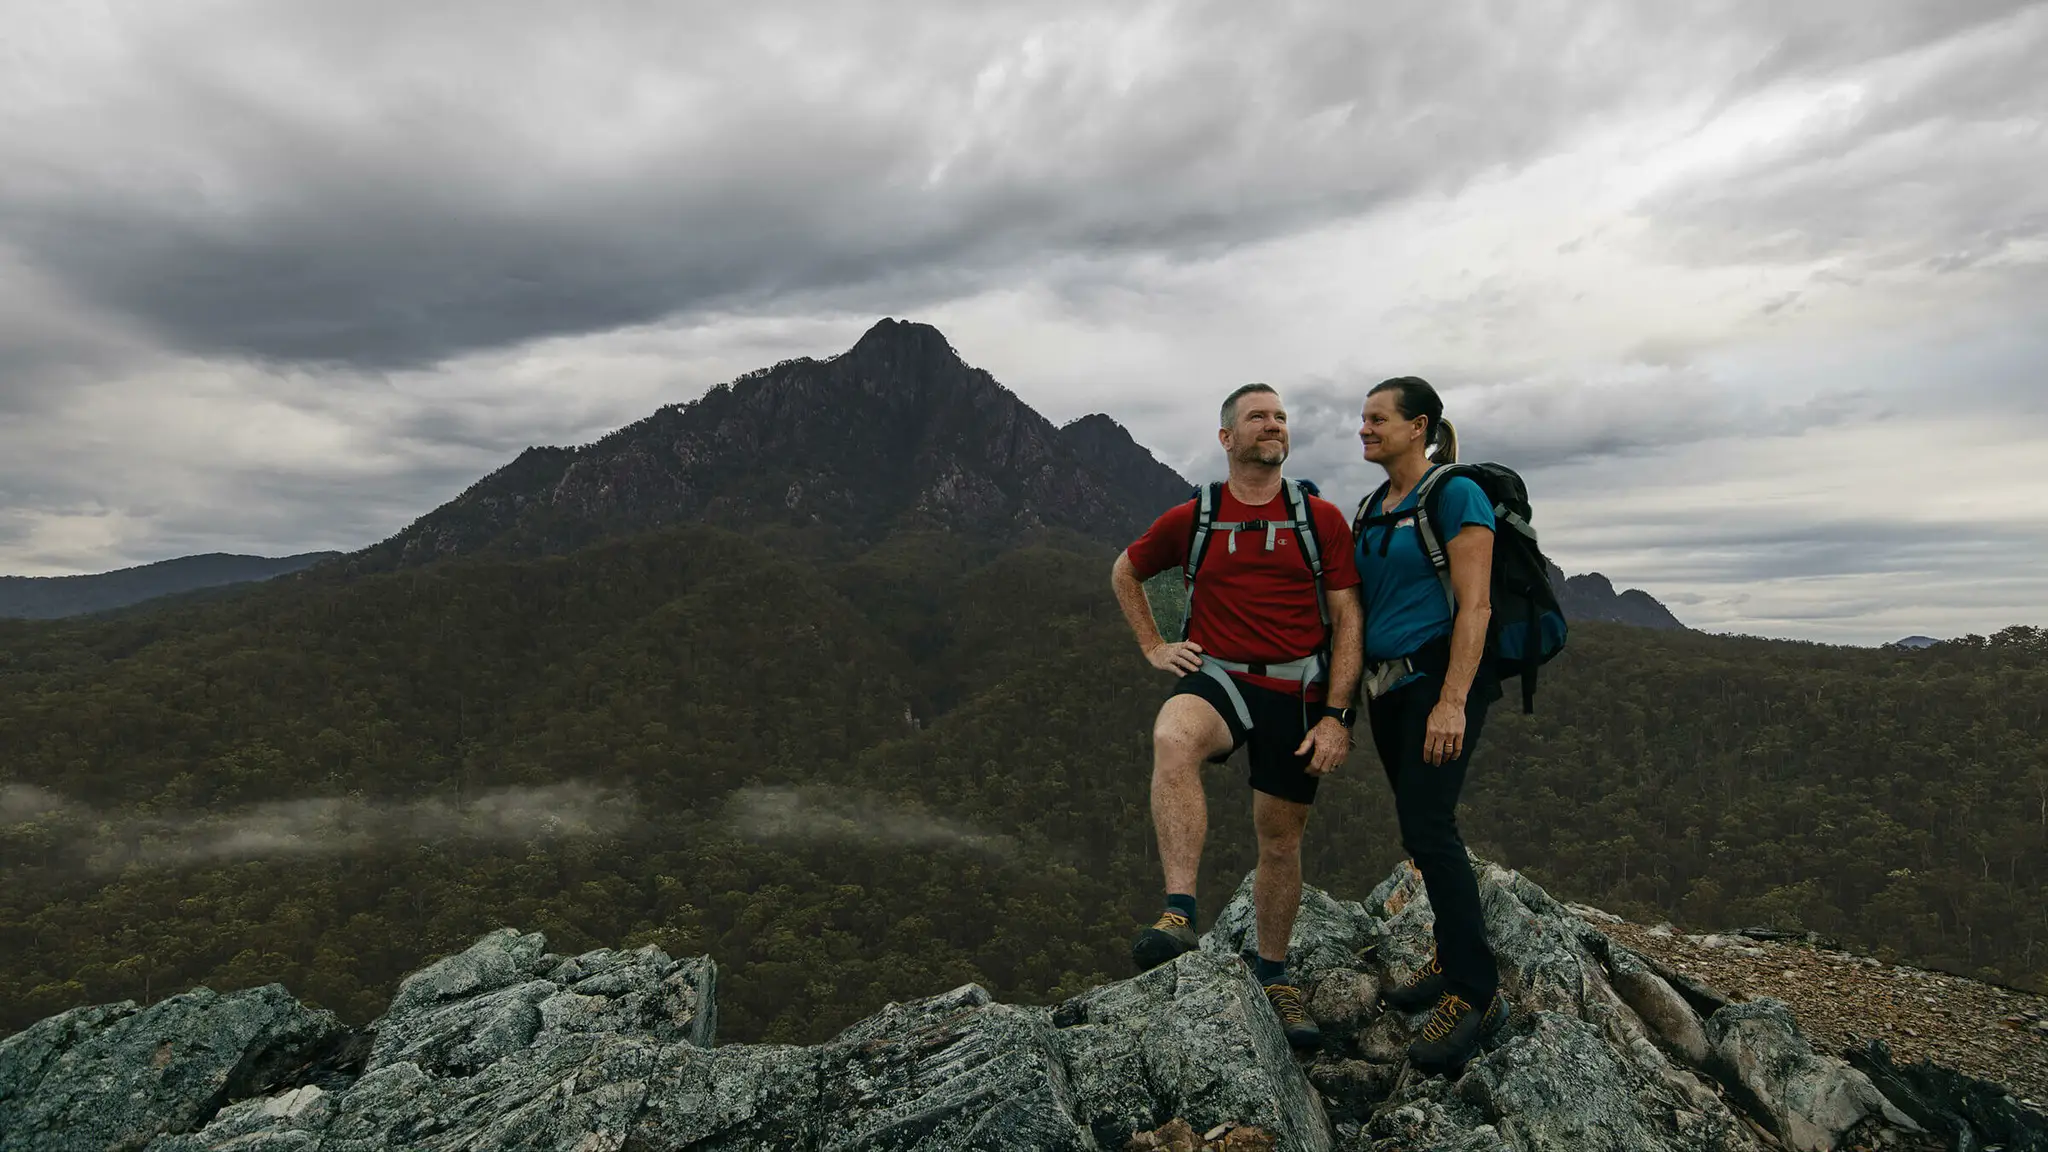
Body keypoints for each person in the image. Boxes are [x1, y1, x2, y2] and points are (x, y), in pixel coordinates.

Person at [1110, 383, 1364, 1050]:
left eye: (1280, 417)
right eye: (1258, 417)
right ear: (1228, 438)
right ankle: (1178, 912)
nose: (1273, 425)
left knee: (1279, 839)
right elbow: (1124, 571)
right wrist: (1153, 645)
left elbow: (1348, 619)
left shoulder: (1321, 520)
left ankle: (1274, 973)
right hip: (1217, 676)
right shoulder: (1195, 517)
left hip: (1296, 689)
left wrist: (1337, 715)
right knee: (1172, 735)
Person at [1354, 375, 1510, 1074]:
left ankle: (1476, 993)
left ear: (1419, 426)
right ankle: (1451, 961)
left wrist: (1453, 699)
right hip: (1385, 691)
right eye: (1364, 419)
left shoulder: (1457, 494)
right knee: (1419, 828)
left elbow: (1474, 606)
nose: (1365, 429)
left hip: (1439, 683)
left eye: (1378, 418)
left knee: (1430, 827)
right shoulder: (1373, 504)